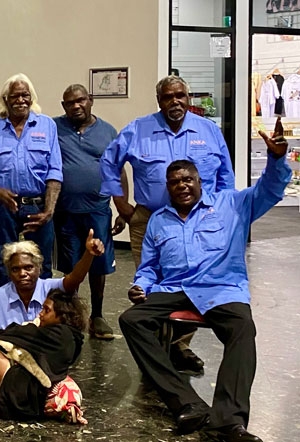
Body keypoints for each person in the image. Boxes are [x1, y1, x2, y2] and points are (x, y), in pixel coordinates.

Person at [119, 122, 289, 442]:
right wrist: (140, 284)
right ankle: (187, 402)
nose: (181, 185)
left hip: (221, 288)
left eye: (187, 179)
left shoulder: (231, 205)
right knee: (131, 319)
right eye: (174, 182)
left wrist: (276, 158)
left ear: (200, 181)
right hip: (174, 289)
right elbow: (150, 267)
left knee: (242, 328)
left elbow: (270, 189)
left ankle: (227, 420)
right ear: (168, 188)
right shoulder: (159, 220)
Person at [100, 75, 235, 372]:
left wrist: (224, 214)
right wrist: (121, 204)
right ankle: (156, 347)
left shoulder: (208, 131)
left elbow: (226, 176)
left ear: (188, 98)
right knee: (149, 286)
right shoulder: (139, 129)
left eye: (180, 96)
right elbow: (109, 161)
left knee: (193, 284)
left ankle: (178, 345)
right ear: (158, 100)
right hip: (150, 221)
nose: (175, 101)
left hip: (201, 224)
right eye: (167, 97)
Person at [0, 73, 62, 286]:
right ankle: (5, 314)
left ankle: (40, 312)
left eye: (25, 95)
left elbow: (55, 170)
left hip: (38, 206)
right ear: (5, 100)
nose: (21, 100)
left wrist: (49, 210)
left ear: (32, 98)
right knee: (3, 261)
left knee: (40, 262)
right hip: (4, 207)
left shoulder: (47, 126)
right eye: (15, 96)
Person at [0, 290, 88, 420]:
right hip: (25, 381)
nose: (41, 313)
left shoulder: (60, 335)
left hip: (21, 385)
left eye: (46, 310)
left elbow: (15, 334)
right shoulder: (71, 337)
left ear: (61, 316)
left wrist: (3, 335)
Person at [53, 84, 118, 340]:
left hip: (98, 210)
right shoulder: (54, 128)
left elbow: (117, 170)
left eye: (81, 100)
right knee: (70, 265)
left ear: (90, 101)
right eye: (70, 102)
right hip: (65, 211)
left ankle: (98, 315)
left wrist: (121, 207)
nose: (76, 106)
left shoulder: (108, 132)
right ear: (64, 106)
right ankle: (74, 314)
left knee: (98, 264)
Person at [0, 232, 103, 337]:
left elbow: (74, 279)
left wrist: (88, 255)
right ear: (8, 273)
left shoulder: (50, 288)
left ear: (39, 268)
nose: (22, 273)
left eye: (28, 267)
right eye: (15, 269)